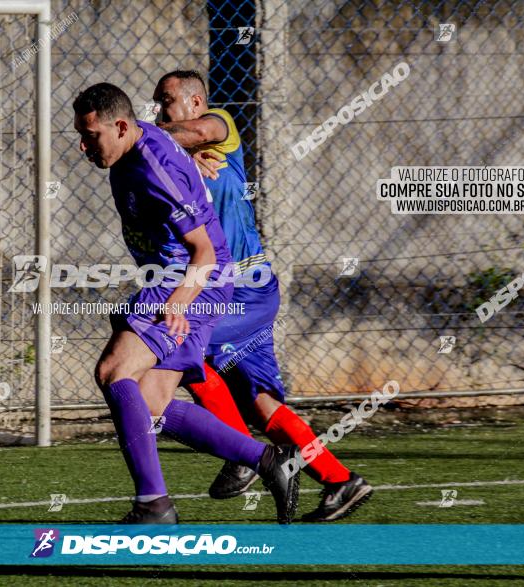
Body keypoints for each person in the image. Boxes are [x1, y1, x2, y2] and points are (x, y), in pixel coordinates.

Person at [73, 82, 300, 524]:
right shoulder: (135, 144)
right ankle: (269, 461)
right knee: (151, 404)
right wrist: (188, 164)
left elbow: (205, 252)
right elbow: (170, 142)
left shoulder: (154, 168)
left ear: (121, 127)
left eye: (91, 135)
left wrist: (179, 302)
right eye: (80, 135)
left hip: (190, 278)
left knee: (113, 370)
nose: (84, 146)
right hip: (183, 277)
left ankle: (154, 505)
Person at [154, 71, 372, 522]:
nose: (159, 110)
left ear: (196, 102)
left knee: (184, 353)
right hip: (239, 291)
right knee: (260, 402)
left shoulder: (218, 125)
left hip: (243, 290)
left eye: (167, 101)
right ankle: (339, 480)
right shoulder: (176, 156)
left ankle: (242, 456)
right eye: (156, 104)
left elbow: (195, 133)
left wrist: (147, 136)